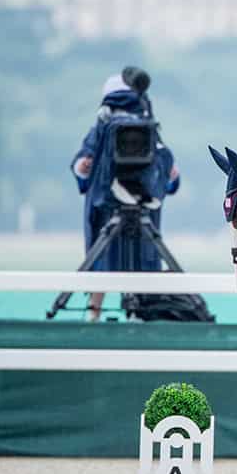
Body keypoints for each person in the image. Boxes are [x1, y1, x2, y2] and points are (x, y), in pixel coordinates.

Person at [71, 68, 180, 321]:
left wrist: (169, 174)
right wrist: (84, 166)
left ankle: (132, 313)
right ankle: (94, 314)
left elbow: (161, 160)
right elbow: (82, 160)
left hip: (136, 205)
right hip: (109, 206)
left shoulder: (144, 128)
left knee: (131, 262)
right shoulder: (103, 128)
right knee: (104, 261)